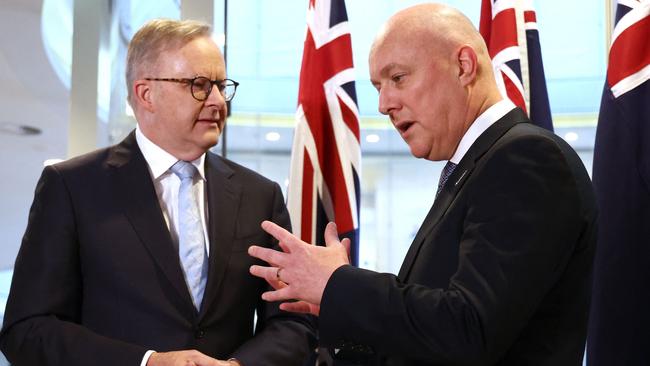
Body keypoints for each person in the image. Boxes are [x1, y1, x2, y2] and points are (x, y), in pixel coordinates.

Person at [248, 3, 597, 365]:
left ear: (463, 66)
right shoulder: (473, 168)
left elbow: (467, 331)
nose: (383, 104)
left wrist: (340, 283)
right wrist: (338, 302)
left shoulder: (526, 158)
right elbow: (434, 330)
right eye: (378, 87)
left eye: (397, 78)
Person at [0, 19, 316, 366]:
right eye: (198, 85)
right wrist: (147, 362)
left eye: (220, 86)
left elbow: (292, 322)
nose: (216, 101)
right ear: (146, 94)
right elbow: (27, 330)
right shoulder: (72, 187)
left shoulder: (260, 195)